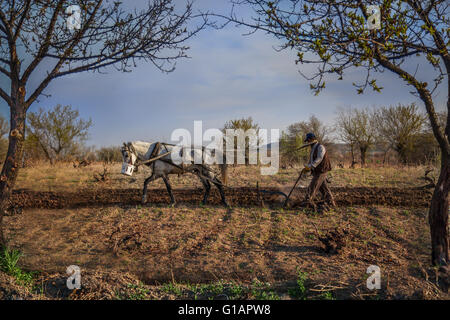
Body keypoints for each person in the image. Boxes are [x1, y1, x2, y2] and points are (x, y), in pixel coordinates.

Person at [303, 132, 336, 210]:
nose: (307, 142)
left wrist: (311, 166)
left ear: (312, 139)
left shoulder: (320, 147)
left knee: (313, 185)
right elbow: (312, 160)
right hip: (317, 170)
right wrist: (307, 167)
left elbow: (319, 158)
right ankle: (330, 201)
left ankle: (308, 201)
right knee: (323, 187)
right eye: (307, 140)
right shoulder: (313, 148)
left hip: (322, 170)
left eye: (308, 140)